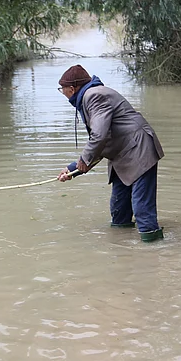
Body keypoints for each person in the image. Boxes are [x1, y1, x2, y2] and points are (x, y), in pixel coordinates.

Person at [57, 64, 165, 241]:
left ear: (72, 88)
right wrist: (73, 170)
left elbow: (99, 136)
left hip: (139, 150)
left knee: (142, 208)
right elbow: (101, 142)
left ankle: (153, 249)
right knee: (119, 209)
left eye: (63, 91)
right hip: (122, 154)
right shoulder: (89, 97)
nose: (64, 95)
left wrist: (84, 159)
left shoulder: (94, 96)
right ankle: (121, 248)